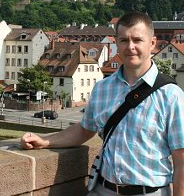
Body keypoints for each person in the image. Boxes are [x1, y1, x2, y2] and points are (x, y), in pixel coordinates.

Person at [21, 11, 184, 195]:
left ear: (152, 44)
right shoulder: (102, 88)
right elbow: (84, 129)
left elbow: (182, 162)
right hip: (103, 190)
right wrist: (44, 141)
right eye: (124, 40)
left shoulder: (171, 96)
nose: (130, 47)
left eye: (137, 40)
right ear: (116, 43)